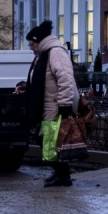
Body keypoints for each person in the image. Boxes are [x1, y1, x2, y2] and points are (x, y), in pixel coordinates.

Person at [17, 19, 77, 187]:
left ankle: (63, 175)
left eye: (31, 44)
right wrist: (25, 87)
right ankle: (59, 172)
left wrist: (64, 105)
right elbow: (39, 81)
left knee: (52, 142)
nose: (30, 47)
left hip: (54, 106)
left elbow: (65, 79)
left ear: (39, 41)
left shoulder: (55, 53)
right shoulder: (43, 55)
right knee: (46, 140)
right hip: (46, 105)